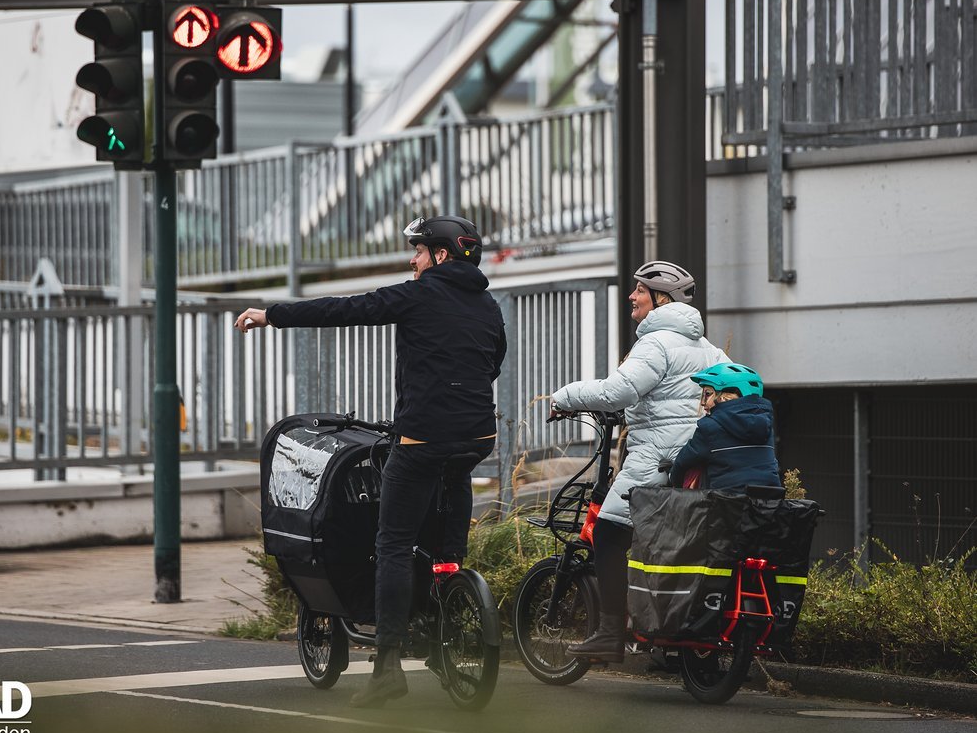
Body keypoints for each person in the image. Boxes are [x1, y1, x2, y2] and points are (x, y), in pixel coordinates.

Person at [235, 216, 506, 707]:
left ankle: (386, 668)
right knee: (446, 524)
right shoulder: (488, 305)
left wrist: (270, 314)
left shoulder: (419, 295)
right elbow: (494, 362)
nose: (413, 259)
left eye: (419, 251)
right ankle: (449, 584)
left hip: (423, 439)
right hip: (477, 439)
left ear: (441, 255)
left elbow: (346, 309)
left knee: (394, 543)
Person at [548, 260, 728, 662]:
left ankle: (610, 633)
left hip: (655, 460)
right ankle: (660, 633)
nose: (632, 296)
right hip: (692, 462)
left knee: (610, 535)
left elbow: (619, 391)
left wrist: (563, 398)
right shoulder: (708, 348)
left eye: (640, 290)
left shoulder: (656, 342)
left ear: (662, 299)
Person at [669, 362, 781, 491]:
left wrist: (673, 478)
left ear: (724, 397)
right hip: (768, 503)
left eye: (707, 394)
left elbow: (681, 465)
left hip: (727, 504)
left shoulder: (709, 427)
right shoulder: (765, 423)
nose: (702, 403)